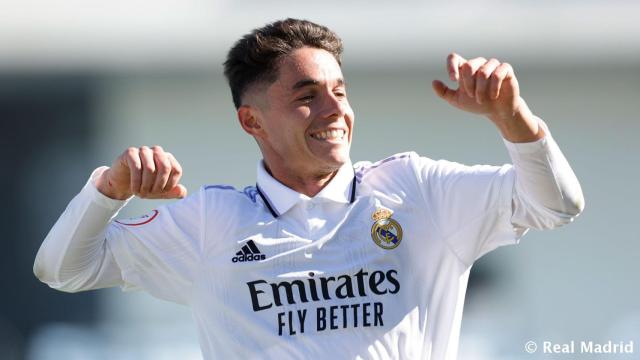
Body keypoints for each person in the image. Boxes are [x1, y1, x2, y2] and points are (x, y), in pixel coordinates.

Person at [34, 18, 584, 359]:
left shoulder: (416, 190)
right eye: (307, 96)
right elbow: (63, 269)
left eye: (340, 90)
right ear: (253, 122)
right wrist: (109, 189)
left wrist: (512, 116)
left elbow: (555, 204)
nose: (335, 110)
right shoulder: (211, 223)